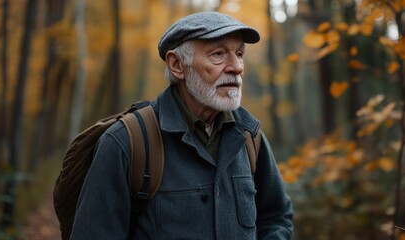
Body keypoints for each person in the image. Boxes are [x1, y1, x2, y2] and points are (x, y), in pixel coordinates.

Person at [70, 11, 294, 240]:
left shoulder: (249, 137)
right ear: (177, 64)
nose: (236, 67)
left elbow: (276, 217)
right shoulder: (126, 142)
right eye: (218, 54)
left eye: (239, 54)